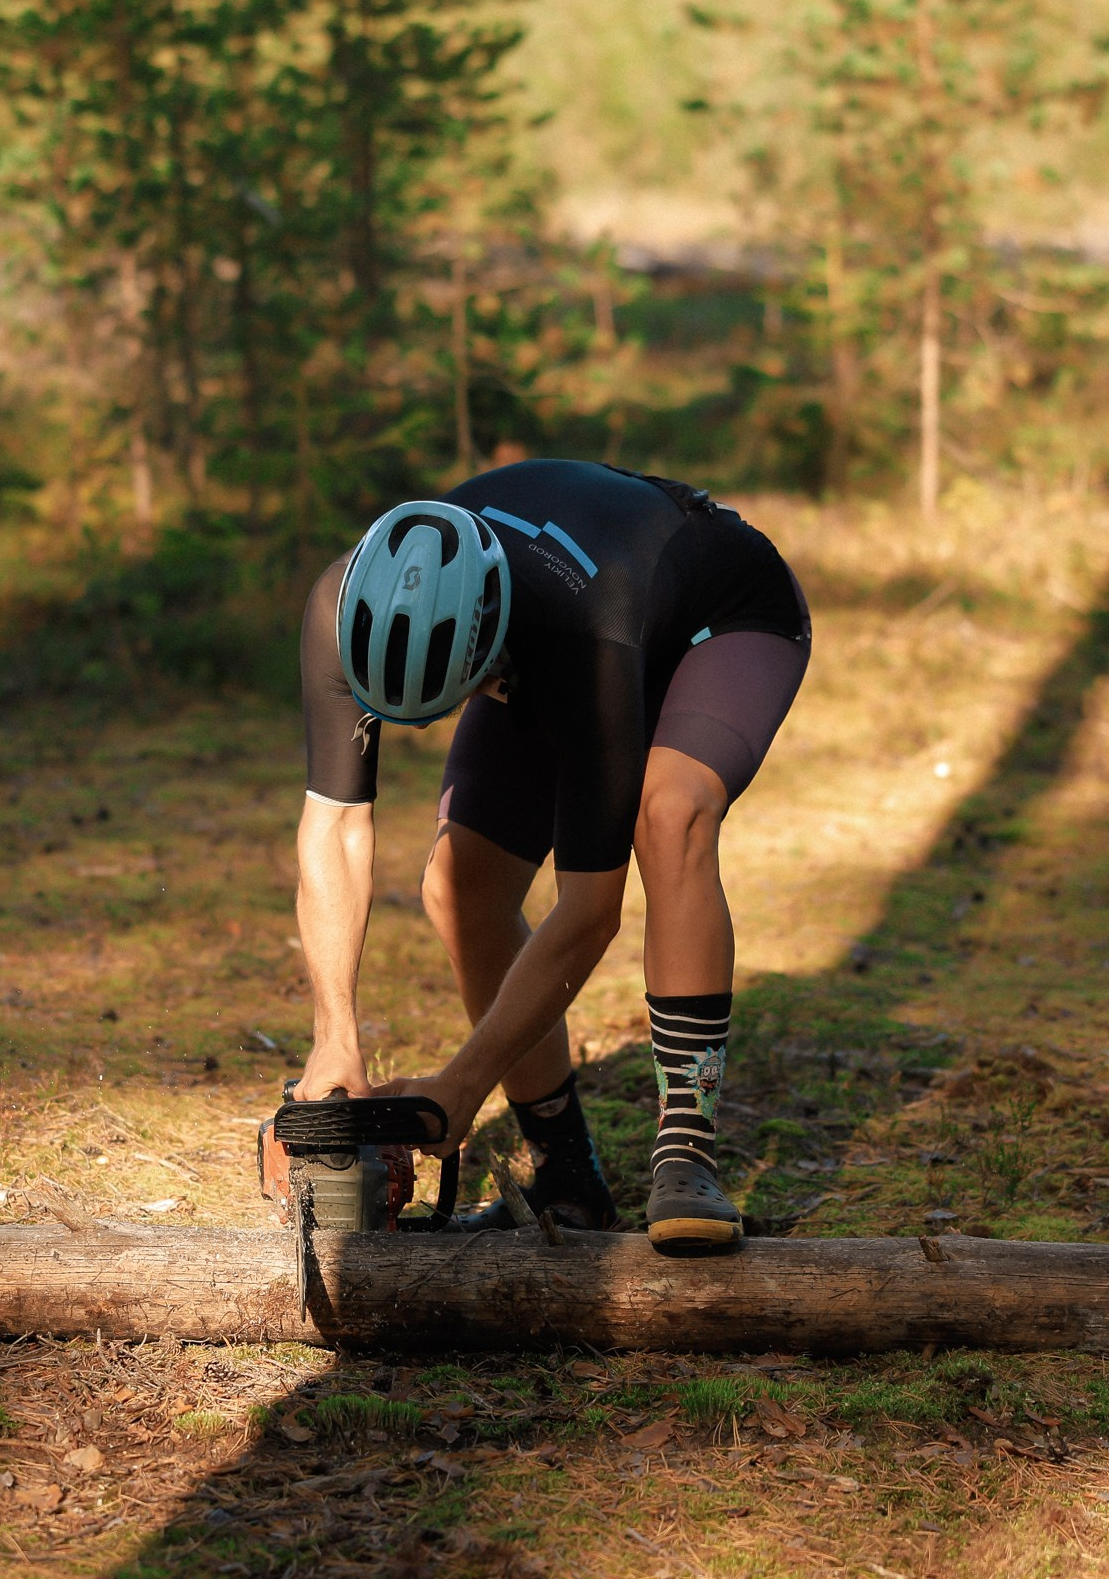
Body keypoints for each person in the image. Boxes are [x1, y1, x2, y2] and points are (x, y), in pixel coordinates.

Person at [292, 459, 811, 1254]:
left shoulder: (583, 628)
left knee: (670, 814)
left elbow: (590, 910)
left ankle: (687, 1152)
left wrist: (464, 1084)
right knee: (459, 885)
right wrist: (335, 1037)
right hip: (550, 634)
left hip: (715, 615)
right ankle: (568, 1175)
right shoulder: (339, 607)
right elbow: (333, 829)